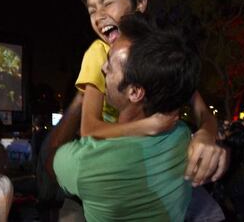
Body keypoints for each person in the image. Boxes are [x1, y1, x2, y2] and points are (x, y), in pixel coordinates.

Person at [49, 0, 226, 189]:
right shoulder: (98, 54)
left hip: (155, 163)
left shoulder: (159, 51)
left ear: (140, 2)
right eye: (92, 10)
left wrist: (206, 135)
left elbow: (202, 110)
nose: (98, 16)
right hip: (114, 162)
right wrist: (146, 127)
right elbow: (89, 129)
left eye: (107, 4)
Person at [52, 13, 200, 221]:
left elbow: (54, 159)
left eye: (110, 65)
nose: (102, 68)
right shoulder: (183, 138)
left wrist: (87, 91)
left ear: (135, 92)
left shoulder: (87, 162)